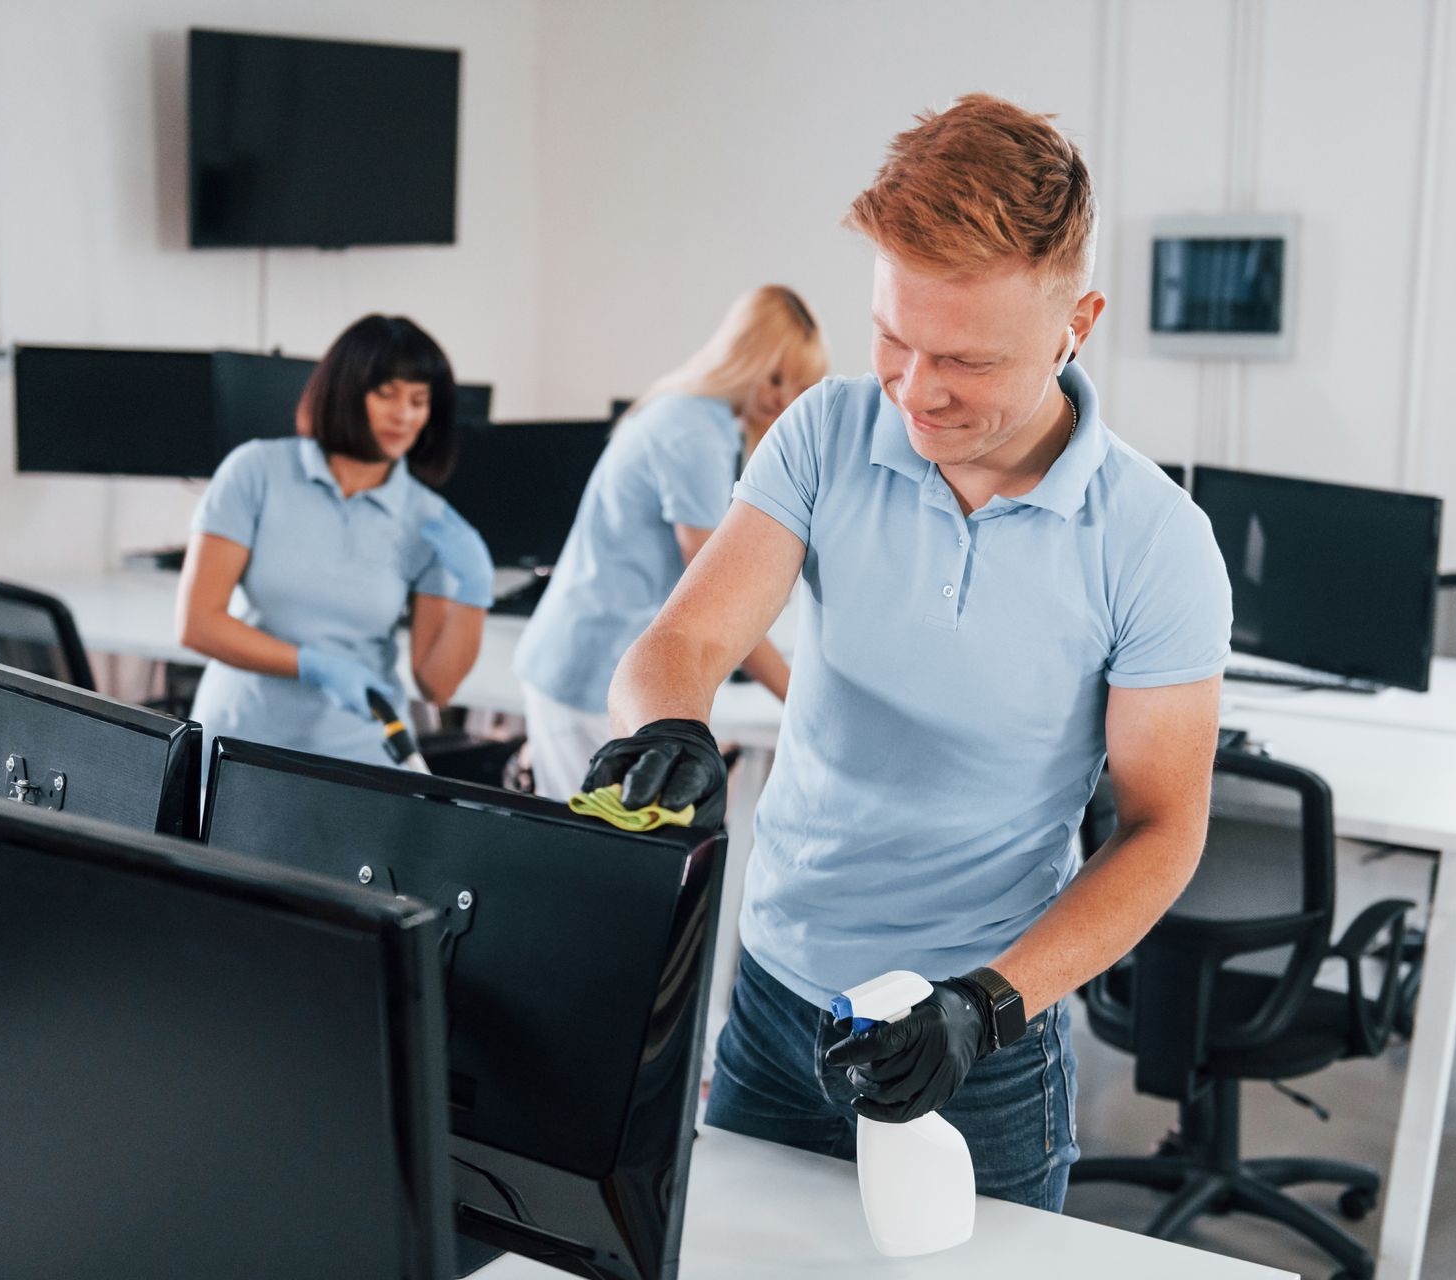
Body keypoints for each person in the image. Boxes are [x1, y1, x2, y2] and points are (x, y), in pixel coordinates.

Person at [579, 96, 1232, 1211]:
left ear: (1078, 320)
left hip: (977, 1033)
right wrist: (670, 726)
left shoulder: (1153, 540)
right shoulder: (826, 434)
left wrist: (985, 1003)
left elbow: (1165, 829)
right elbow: (681, 638)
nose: (918, 389)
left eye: (969, 360)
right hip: (777, 999)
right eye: (894, 337)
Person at [514, 285, 828, 802]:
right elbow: (718, 590)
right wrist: (802, 700)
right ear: (740, 357)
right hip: (588, 672)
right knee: (601, 860)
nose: (782, 399)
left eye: (797, 385)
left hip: (591, 662)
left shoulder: (695, 417)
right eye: (775, 377)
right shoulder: (694, 434)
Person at [177, 314, 494, 771]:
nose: (403, 415)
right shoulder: (255, 472)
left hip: (359, 756)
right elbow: (198, 623)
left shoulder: (429, 520)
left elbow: (436, 686)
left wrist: (474, 592)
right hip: (240, 741)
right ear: (345, 391)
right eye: (386, 394)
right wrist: (312, 664)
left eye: (418, 400)